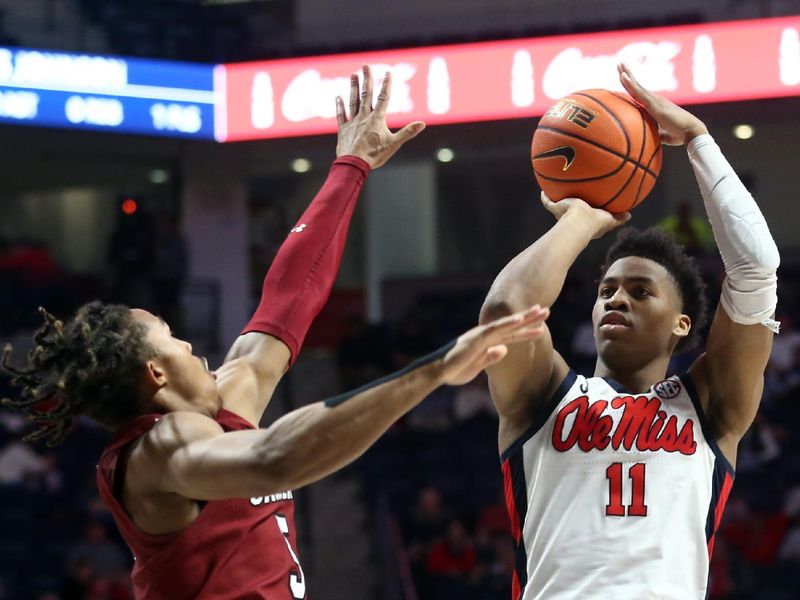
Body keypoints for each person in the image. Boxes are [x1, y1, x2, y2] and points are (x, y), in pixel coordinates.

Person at [1, 65, 549, 600]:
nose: (192, 345)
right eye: (172, 337)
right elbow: (273, 460)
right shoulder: (159, 450)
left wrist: (351, 166)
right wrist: (430, 372)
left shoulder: (219, 407)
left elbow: (288, 300)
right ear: (156, 371)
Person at [479, 62, 779, 599]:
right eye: (606, 290)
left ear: (682, 325)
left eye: (640, 291)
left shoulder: (708, 404)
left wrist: (699, 141)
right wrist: (582, 218)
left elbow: (756, 268)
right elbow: (506, 309)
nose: (616, 298)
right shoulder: (544, 394)